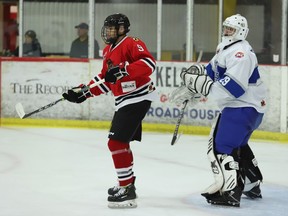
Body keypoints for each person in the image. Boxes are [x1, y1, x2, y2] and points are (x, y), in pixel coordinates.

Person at [62, 13, 156, 208]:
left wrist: (124, 70)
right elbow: (106, 80)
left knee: (115, 142)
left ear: (122, 29)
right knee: (120, 143)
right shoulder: (108, 50)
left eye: (112, 28)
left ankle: (127, 189)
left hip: (138, 96)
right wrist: (84, 92)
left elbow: (148, 64)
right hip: (125, 99)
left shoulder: (132, 42)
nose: (108, 32)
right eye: (107, 28)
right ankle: (127, 184)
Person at [174, 14, 267, 207]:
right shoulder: (225, 48)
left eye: (231, 29)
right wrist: (194, 90)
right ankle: (252, 184)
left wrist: (203, 88)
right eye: (225, 28)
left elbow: (234, 87)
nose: (227, 32)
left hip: (242, 107)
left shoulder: (240, 53)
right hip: (247, 109)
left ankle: (230, 192)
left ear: (241, 31)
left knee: (220, 147)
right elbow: (210, 73)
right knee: (237, 146)